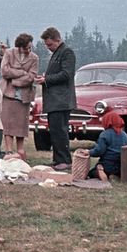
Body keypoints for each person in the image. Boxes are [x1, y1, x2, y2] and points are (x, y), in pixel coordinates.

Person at [35, 27, 76, 170]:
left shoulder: (67, 53)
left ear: (57, 40)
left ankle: (65, 160)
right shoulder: (56, 53)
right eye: (47, 45)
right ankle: (58, 160)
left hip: (61, 101)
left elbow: (66, 75)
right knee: (55, 131)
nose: (48, 48)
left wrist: (46, 79)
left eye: (50, 44)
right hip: (54, 101)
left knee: (60, 131)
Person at [0, 33, 39, 160]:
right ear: (19, 47)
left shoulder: (34, 58)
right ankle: (9, 150)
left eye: (30, 48)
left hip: (24, 96)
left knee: (21, 124)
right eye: (26, 48)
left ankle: (20, 150)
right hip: (8, 94)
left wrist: (15, 81)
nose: (28, 50)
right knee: (8, 123)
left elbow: (31, 76)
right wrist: (22, 73)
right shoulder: (9, 53)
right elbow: (5, 71)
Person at [84, 110, 127, 181]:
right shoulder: (125, 135)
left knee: (91, 173)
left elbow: (99, 151)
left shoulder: (105, 134)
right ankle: (114, 176)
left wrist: (89, 152)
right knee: (115, 170)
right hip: (120, 166)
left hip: (107, 165)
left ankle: (100, 171)